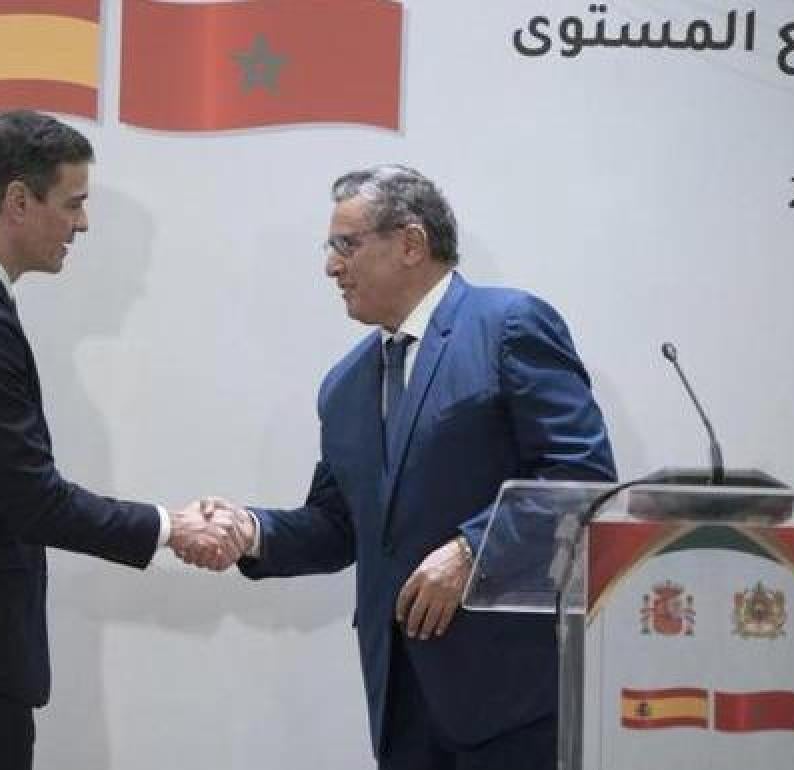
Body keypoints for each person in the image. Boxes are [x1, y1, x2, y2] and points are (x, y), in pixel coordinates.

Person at [0, 110, 242, 770]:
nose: (82, 224)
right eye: (73, 202)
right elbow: (32, 501)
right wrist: (172, 527)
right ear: (18, 201)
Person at [195, 165, 616, 769]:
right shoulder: (343, 386)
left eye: (346, 244)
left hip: (511, 700)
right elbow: (339, 526)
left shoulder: (509, 325)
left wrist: (471, 551)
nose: (331, 267)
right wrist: (251, 531)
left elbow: (580, 475)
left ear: (411, 243)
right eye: (330, 248)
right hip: (401, 703)